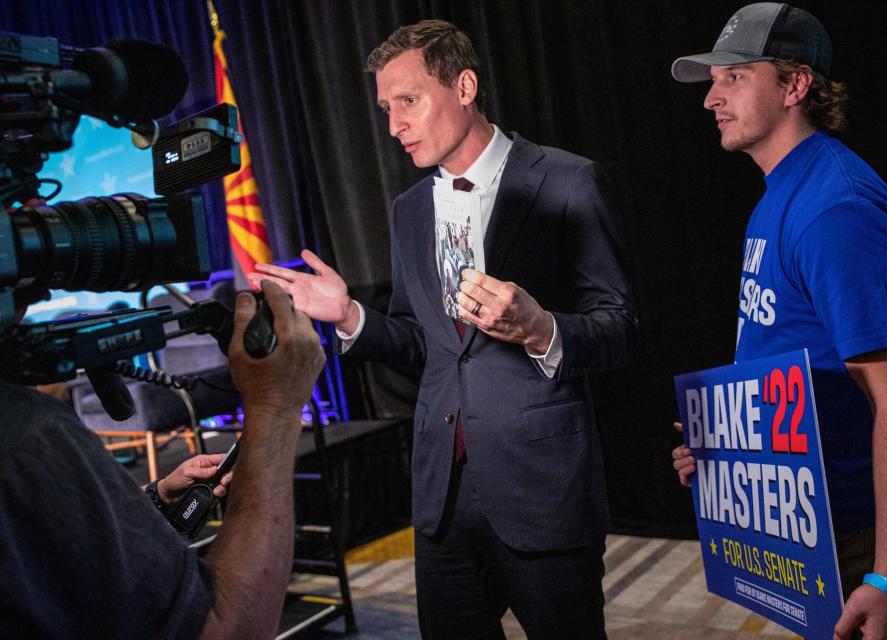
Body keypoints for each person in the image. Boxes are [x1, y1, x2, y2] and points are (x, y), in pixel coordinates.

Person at [250, 19, 637, 639]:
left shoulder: (567, 181)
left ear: (464, 86)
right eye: (384, 107)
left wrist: (541, 330)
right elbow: (420, 342)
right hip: (442, 500)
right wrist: (349, 315)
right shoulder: (409, 211)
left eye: (408, 100)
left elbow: (619, 329)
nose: (393, 124)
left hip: (541, 491)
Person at [668, 4, 887, 639]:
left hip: (853, 525)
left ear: (795, 86)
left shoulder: (836, 208)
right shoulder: (782, 192)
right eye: (714, 80)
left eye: (734, 76)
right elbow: (795, 355)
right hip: (808, 518)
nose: (711, 98)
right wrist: (728, 448)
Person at [0, 280, 325, 638]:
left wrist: (151, 500)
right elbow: (231, 631)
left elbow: (45, 539)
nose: (43, 289)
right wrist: (276, 406)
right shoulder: (27, 436)